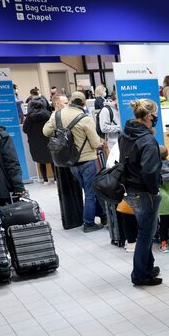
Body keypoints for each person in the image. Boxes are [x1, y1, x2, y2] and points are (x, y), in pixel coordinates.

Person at [43, 91, 103, 232]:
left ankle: (102, 214)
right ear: (83, 104)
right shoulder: (85, 118)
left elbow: (45, 132)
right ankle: (88, 223)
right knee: (90, 193)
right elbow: (95, 143)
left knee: (87, 191)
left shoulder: (57, 115)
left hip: (70, 162)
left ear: (70, 101)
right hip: (87, 160)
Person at [121, 99, 164, 286]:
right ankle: (140, 275)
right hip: (144, 192)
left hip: (130, 189)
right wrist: (154, 190)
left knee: (144, 231)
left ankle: (147, 267)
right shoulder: (148, 140)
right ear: (148, 116)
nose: (156, 118)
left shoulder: (126, 134)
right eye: (154, 115)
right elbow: (149, 171)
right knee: (146, 234)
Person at [21, 98, 54, 184]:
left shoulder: (29, 118)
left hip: (35, 142)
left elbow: (25, 130)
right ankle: (55, 179)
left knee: (41, 161)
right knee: (52, 160)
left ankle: (45, 180)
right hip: (48, 140)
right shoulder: (48, 114)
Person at [97, 93, 121, 160]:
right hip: (112, 145)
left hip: (122, 144)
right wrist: (120, 127)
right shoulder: (106, 110)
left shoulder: (120, 109)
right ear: (115, 99)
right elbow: (104, 128)